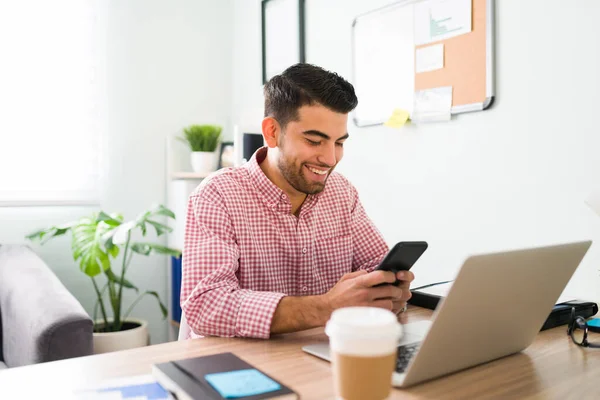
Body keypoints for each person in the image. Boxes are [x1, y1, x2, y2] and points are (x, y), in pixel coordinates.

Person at [180, 63, 415, 339]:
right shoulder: (217, 195)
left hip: (322, 357)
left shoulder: (342, 193)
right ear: (271, 132)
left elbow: (376, 263)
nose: (330, 159)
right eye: (315, 141)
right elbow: (206, 306)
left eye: (339, 143)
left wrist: (388, 290)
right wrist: (325, 307)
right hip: (246, 366)